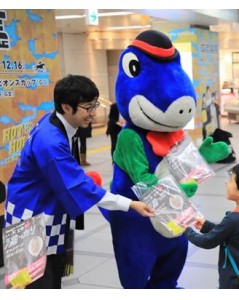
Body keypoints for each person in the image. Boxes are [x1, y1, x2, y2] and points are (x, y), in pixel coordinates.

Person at [4, 75, 154, 289]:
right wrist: (129, 204)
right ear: (66, 107)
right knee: (36, 282)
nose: (93, 113)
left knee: (53, 274)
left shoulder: (53, 120)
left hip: (43, 210)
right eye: (88, 107)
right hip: (31, 218)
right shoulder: (51, 142)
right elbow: (79, 185)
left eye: (95, 105)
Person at [183, 161, 239, 289]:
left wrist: (186, 230)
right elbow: (230, 233)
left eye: (231, 180)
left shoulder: (234, 219)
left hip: (232, 278)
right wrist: (206, 225)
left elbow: (207, 241)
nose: (226, 183)